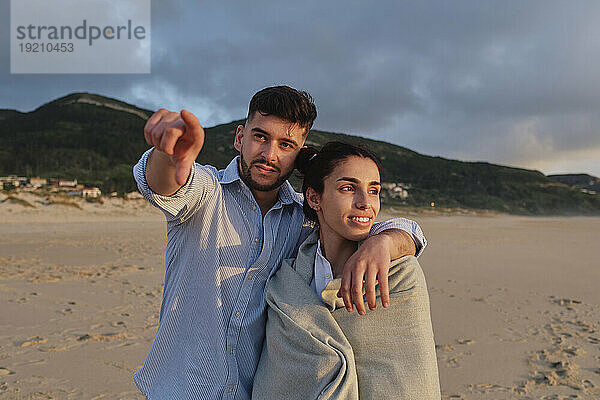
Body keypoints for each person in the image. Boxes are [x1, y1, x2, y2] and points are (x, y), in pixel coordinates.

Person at [132, 86, 427, 399]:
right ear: (239, 138)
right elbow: (164, 185)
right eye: (260, 137)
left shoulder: (304, 217)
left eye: (286, 144)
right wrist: (167, 156)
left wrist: (382, 244)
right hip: (179, 391)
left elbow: (400, 229)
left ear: (298, 153)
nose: (269, 154)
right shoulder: (206, 194)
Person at [253, 142, 440, 399]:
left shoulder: (400, 273)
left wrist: (384, 240)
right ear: (314, 198)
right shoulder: (287, 282)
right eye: (348, 188)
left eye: (373, 191)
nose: (365, 203)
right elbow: (277, 382)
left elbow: (413, 379)